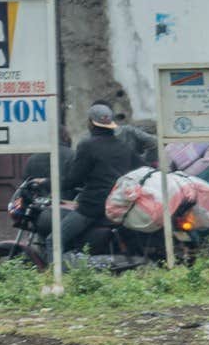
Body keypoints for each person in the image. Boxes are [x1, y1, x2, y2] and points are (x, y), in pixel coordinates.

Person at [59, 103, 145, 252]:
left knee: (54, 241)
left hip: (93, 206)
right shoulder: (123, 146)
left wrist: (50, 183)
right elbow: (141, 169)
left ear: (91, 123)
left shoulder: (87, 145)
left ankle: (56, 274)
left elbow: (74, 179)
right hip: (120, 204)